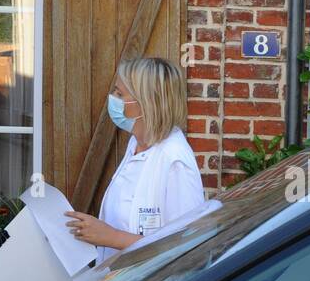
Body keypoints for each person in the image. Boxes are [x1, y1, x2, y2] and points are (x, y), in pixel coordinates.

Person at [64, 56, 206, 264]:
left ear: (147, 103)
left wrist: (111, 237)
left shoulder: (175, 161)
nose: (112, 98)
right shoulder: (136, 143)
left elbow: (186, 245)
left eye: (120, 94)